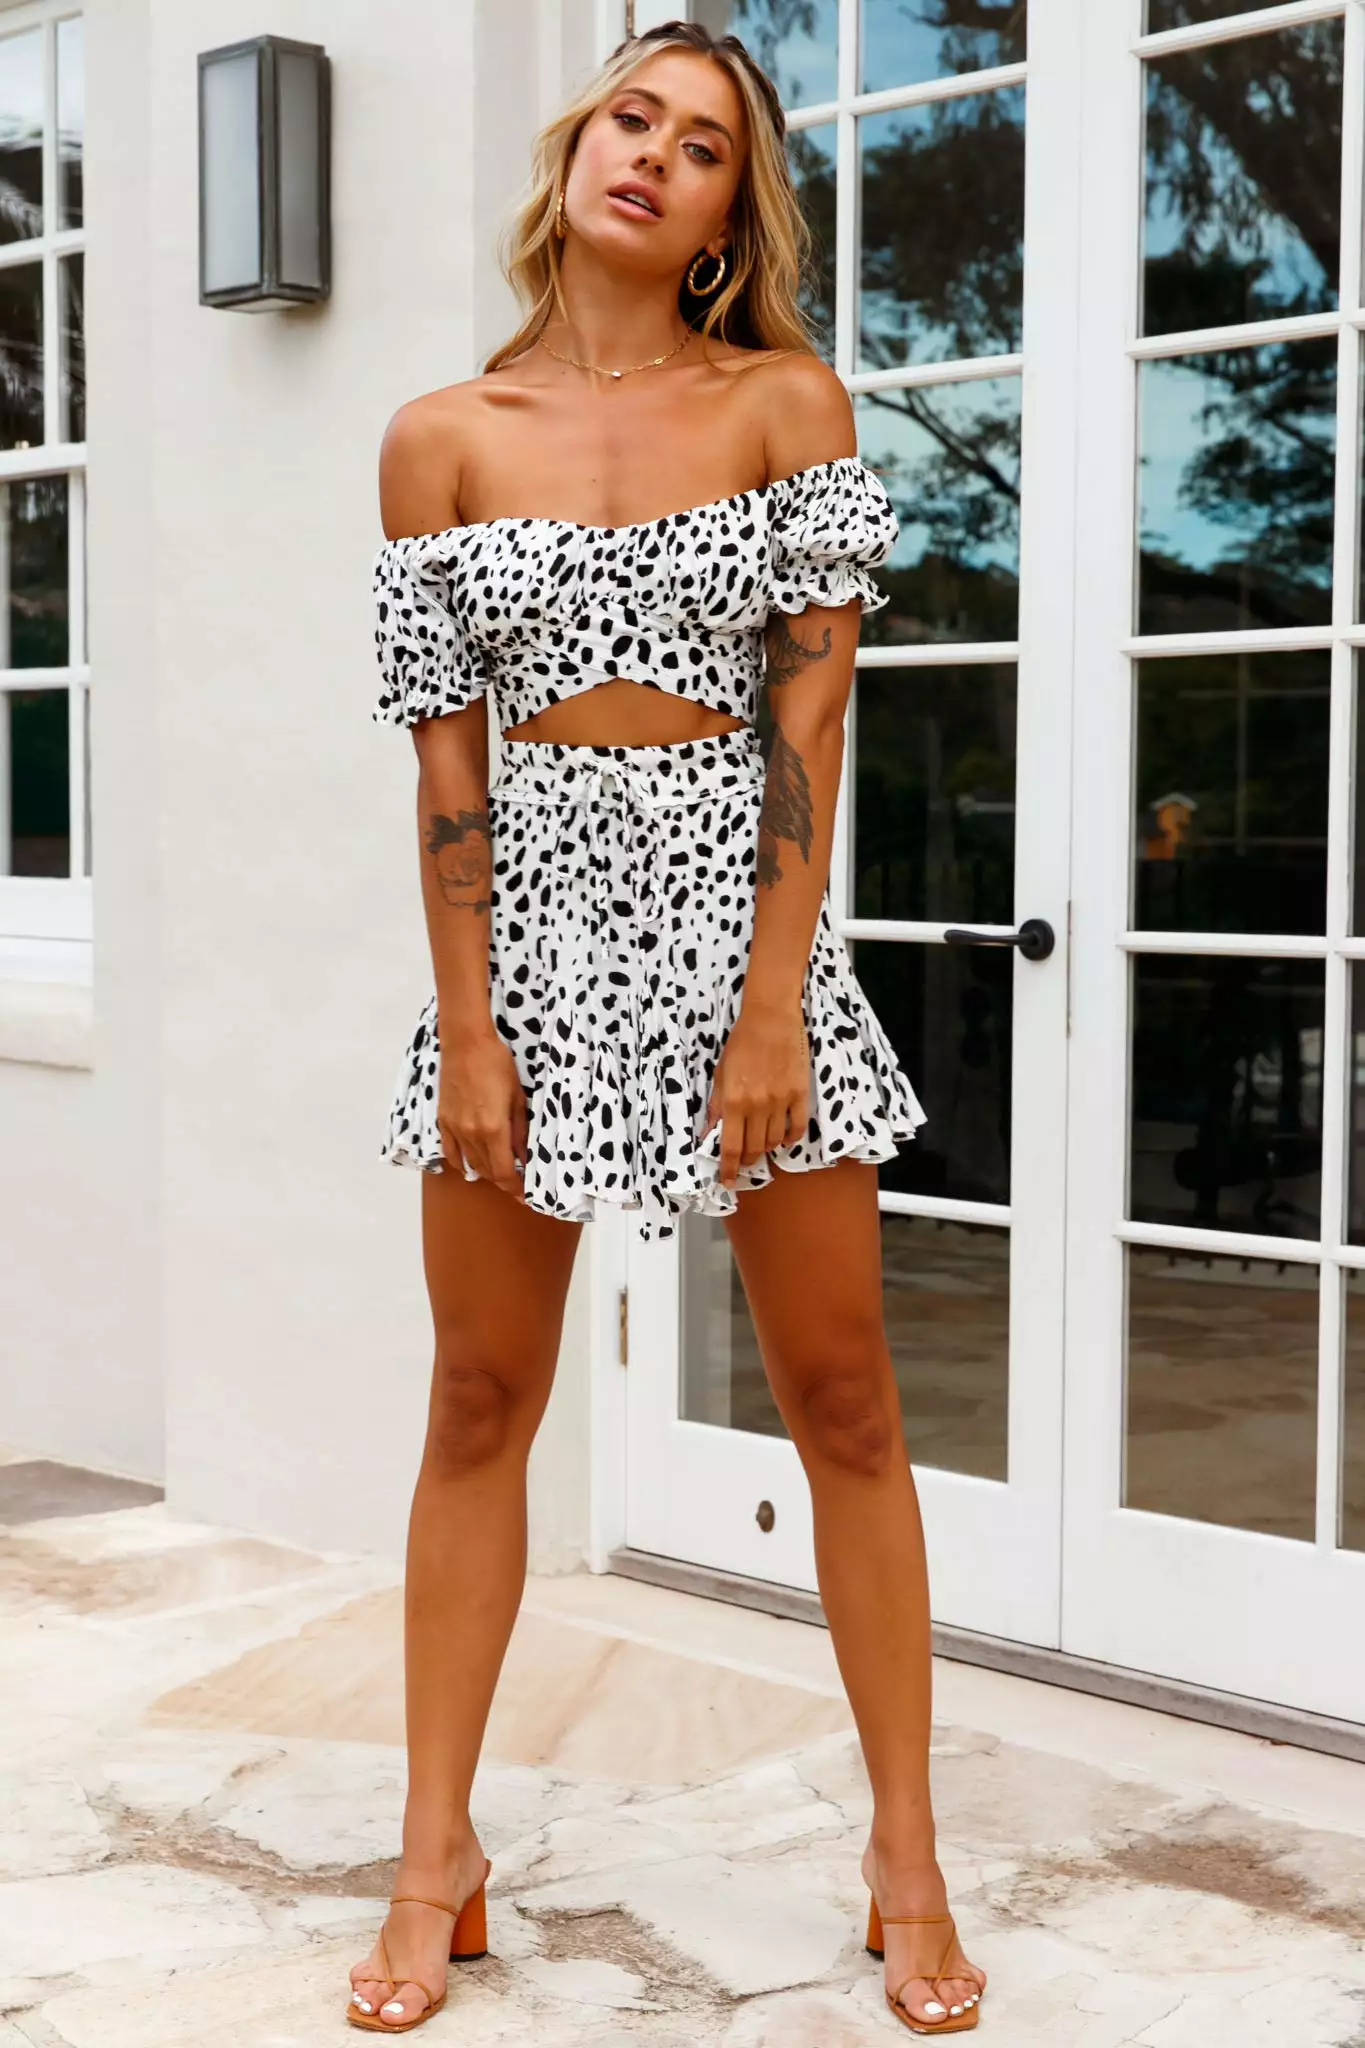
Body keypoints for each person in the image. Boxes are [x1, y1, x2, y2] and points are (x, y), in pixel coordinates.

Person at [349, 19, 988, 2038]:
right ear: (577, 147)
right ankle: (433, 1856)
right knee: (478, 1401)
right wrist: (469, 1027)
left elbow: (815, 711)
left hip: (740, 912)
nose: (654, 154)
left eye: (703, 145)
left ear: (727, 217)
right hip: (524, 925)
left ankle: (905, 1855)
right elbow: (446, 766)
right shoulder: (438, 436)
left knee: (844, 1397)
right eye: (633, 115)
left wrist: (772, 998)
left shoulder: (784, 404)